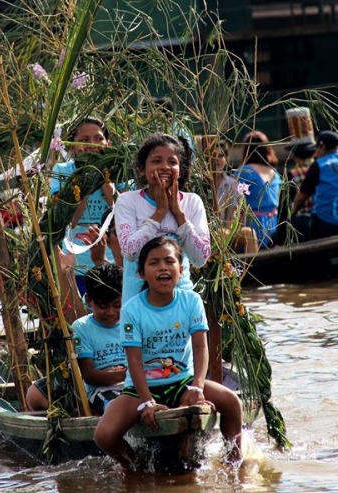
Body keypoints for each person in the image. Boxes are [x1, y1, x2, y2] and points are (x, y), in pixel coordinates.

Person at [94, 237, 243, 468]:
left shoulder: (192, 301)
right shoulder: (132, 309)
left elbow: (200, 347)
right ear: (141, 273)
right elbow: (134, 361)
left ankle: (233, 464)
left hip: (182, 382)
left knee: (233, 403)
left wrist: (197, 387)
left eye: (169, 261)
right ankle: (136, 468)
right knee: (103, 435)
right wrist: (146, 403)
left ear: (180, 270)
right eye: (154, 262)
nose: (163, 267)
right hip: (139, 389)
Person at [113, 133, 210, 302]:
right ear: (142, 169)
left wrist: (179, 215)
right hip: (137, 303)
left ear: (180, 170)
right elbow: (130, 252)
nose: (165, 167)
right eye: (156, 161)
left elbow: (200, 258)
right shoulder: (127, 201)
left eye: (172, 162)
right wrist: (159, 212)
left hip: (181, 300)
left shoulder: (192, 202)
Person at [26, 262, 126, 415]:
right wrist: (127, 374)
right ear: (88, 301)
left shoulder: (131, 322)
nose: (111, 312)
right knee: (118, 408)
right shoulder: (82, 327)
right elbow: (89, 375)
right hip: (102, 390)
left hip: (133, 385)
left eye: (117, 305)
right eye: (103, 306)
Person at [50, 117, 116, 295]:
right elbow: (69, 222)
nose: (92, 144)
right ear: (72, 145)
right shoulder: (62, 171)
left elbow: (125, 219)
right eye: (84, 140)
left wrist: (107, 188)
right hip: (77, 265)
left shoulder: (119, 170)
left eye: (98, 138)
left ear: (107, 144)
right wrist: (87, 184)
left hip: (113, 265)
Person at [291, 130, 338, 240]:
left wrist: (291, 215)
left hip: (326, 227)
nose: (316, 153)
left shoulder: (319, 165)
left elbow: (301, 198)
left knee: (296, 222)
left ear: (322, 145)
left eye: (317, 149)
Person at [235, 130, 283, 248]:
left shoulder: (244, 171)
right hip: (275, 226)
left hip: (254, 227)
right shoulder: (275, 173)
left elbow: (236, 202)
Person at [213, 139, 258, 253]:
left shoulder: (233, 184)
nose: (217, 160)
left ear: (226, 159)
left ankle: (252, 269)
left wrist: (227, 232)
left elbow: (231, 216)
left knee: (250, 233)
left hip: (226, 231)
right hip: (208, 232)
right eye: (213, 156)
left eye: (221, 156)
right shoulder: (202, 183)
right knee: (221, 233)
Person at [282, 141, 316, 242]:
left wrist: (281, 239)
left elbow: (284, 208)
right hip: (322, 220)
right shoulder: (322, 169)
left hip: (303, 225)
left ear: (296, 157)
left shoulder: (293, 174)